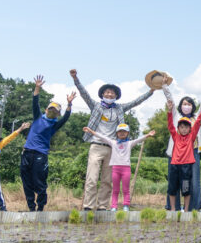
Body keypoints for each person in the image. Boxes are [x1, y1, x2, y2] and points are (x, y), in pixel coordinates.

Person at [70, 69, 155, 211]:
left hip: (112, 148)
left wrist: (150, 92)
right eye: (107, 92)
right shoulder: (96, 106)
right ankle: (88, 206)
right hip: (96, 146)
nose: (109, 94)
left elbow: (136, 102)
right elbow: (84, 94)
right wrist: (75, 78)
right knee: (91, 178)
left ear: (116, 96)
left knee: (107, 180)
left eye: (112, 93)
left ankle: (103, 206)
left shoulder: (119, 109)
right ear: (102, 94)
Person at [20, 75, 75, 211]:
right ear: (46, 110)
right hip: (26, 153)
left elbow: (66, 117)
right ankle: (31, 207)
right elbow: (35, 102)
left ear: (57, 114)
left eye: (55, 111)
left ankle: (41, 207)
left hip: (40, 155)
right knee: (27, 182)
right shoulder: (38, 117)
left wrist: (69, 104)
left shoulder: (54, 125)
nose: (52, 112)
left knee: (39, 182)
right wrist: (37, 87)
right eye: (50, 109)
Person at [161, 79, 201, 211]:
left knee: (193, 182)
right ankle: (172, 207)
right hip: (176, 154)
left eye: (189, 104)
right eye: (184, 104)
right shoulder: (176, 116)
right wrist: (164, 86)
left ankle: (193, 208)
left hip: (193, 152)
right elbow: (170, 102)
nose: (187, 106)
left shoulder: (196, 118)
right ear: (181, 106)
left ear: (193, 106)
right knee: (174, 182)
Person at [82, 123, 156, 210]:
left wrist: (148, 135)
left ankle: (126, 205)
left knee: (125, 189)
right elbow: (102, 137)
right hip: (115, 169)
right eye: (120, 131)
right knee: (115, 190)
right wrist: (91, 131)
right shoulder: (113, 143)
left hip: (126, 169)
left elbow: (139, 140)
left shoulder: (129, 143)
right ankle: (114, 206)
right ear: (116, 133)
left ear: (127, 133)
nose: (122, 133)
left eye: (124, 131)